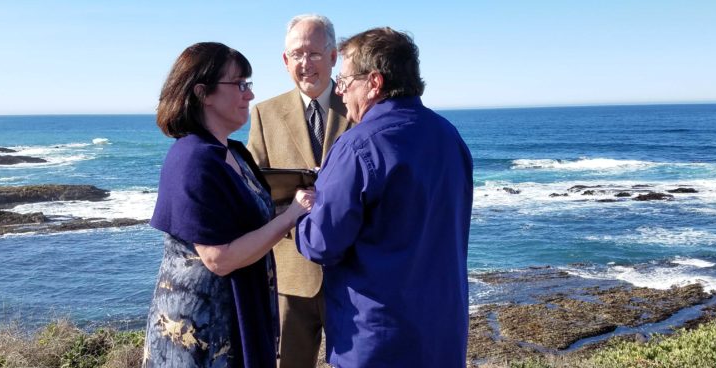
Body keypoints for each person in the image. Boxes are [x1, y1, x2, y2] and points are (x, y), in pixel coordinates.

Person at [296, 27, 474, 367]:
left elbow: (321, 243)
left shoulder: (358, 146)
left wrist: (302, 213)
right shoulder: (449, 137)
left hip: (377, 338)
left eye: (345, 83)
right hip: (443, 334)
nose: (340, 92)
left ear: (374, 83)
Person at [143, 42, 314, 368]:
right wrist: (291, 216)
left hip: (234, 319)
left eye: (248, 85)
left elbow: (249, 221)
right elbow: (219, 258)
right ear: (203, 93)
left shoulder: (234, 153)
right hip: (200, 335)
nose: (249, 95)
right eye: (239, 84)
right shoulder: (192, 161)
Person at [247, 14, 351, 368]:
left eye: (315, 53)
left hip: (353, 273)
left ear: (334, 55)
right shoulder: (264, 114)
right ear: (284, 60)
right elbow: (255, 192)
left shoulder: (361, 107)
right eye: (297, 54)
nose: (305, 64)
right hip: (291, 275)